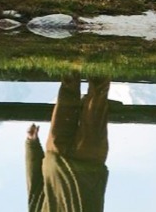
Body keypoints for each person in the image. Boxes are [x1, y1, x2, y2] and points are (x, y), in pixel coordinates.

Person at [26, 74, 111, 212]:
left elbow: (34, 192)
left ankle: (72, 59)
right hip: (88, 164)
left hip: (57, 156)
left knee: (67, 95)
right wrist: (32, 145)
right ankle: (102, 56)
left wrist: (32, 144)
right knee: (96, 100)